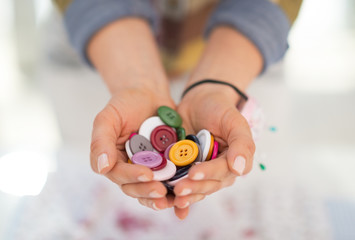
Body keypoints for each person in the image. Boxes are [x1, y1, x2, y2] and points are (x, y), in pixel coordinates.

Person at [53, 0, 302, 220]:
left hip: (245, 55)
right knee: (92, 205)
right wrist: (137, 83)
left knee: (252, 207)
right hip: (103, 48)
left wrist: (216, 86)